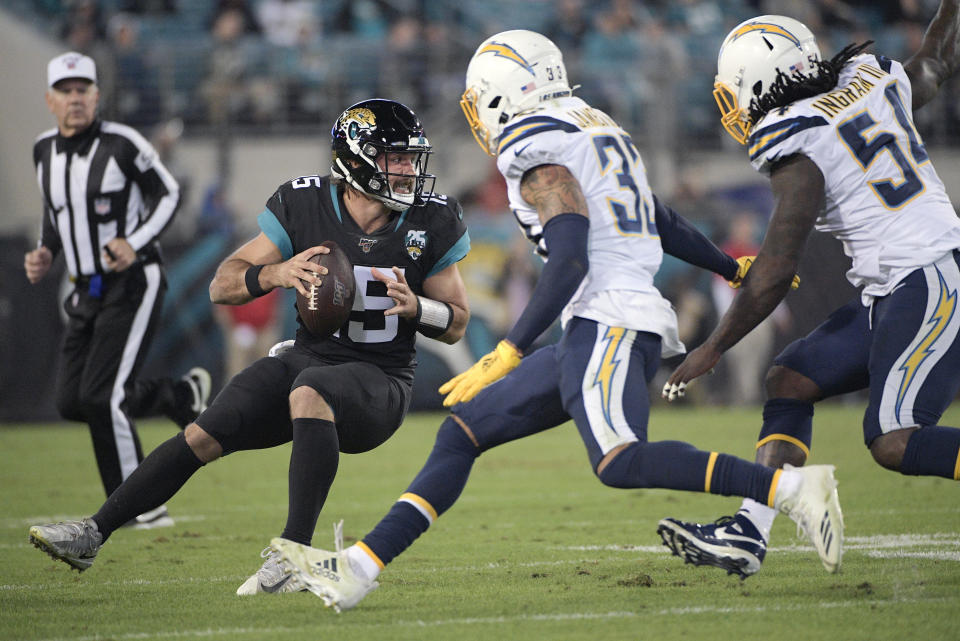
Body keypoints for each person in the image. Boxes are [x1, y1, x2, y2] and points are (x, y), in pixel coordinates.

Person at [267, 30, 845, 612]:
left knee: (619, 461)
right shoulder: (593, 125)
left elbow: (570, 258)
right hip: (597, 323)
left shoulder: (534, 146)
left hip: (609, 319)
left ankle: (791, 487)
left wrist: (511, 348)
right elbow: (658, 216)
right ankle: (359, 570)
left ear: (499, 95)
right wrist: (727, 267)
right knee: (462, 432)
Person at [27, 99, 471, 591]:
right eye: (397, 158)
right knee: (204, 432)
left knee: (311, 389)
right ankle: (93, 532)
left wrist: (419, 309)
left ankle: (293, 553)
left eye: (412, 158)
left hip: (381, 381)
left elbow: (456, 323)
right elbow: (223, 283)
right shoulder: (304, 203)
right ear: (357, 158)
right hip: (310, 358)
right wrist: (277, 272)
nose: (410, 170)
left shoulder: (431, 220)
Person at [659, 6, 960, 578]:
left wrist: (712, 347)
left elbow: (774, 268)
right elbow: (938, 60)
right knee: (789, 379)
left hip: (930, 275)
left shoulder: (795, 140)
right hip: (900, 284)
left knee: (894, 438)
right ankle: (750, 529)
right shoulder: (868, 81)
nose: (735, 107)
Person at [23, 52, 211, 529]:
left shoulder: (121, 143)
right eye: (65, 90)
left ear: (97, 95)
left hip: (133, 280)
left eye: (83, 88)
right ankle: (176, 397)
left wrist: (135, 240)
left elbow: (167, 192)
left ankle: (143, 505)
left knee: (103, 397)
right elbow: (57, 210)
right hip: (85, 289)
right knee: (72, 401)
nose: (75, 98)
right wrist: (46, 249)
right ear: (50, 99)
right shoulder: (43, 150)